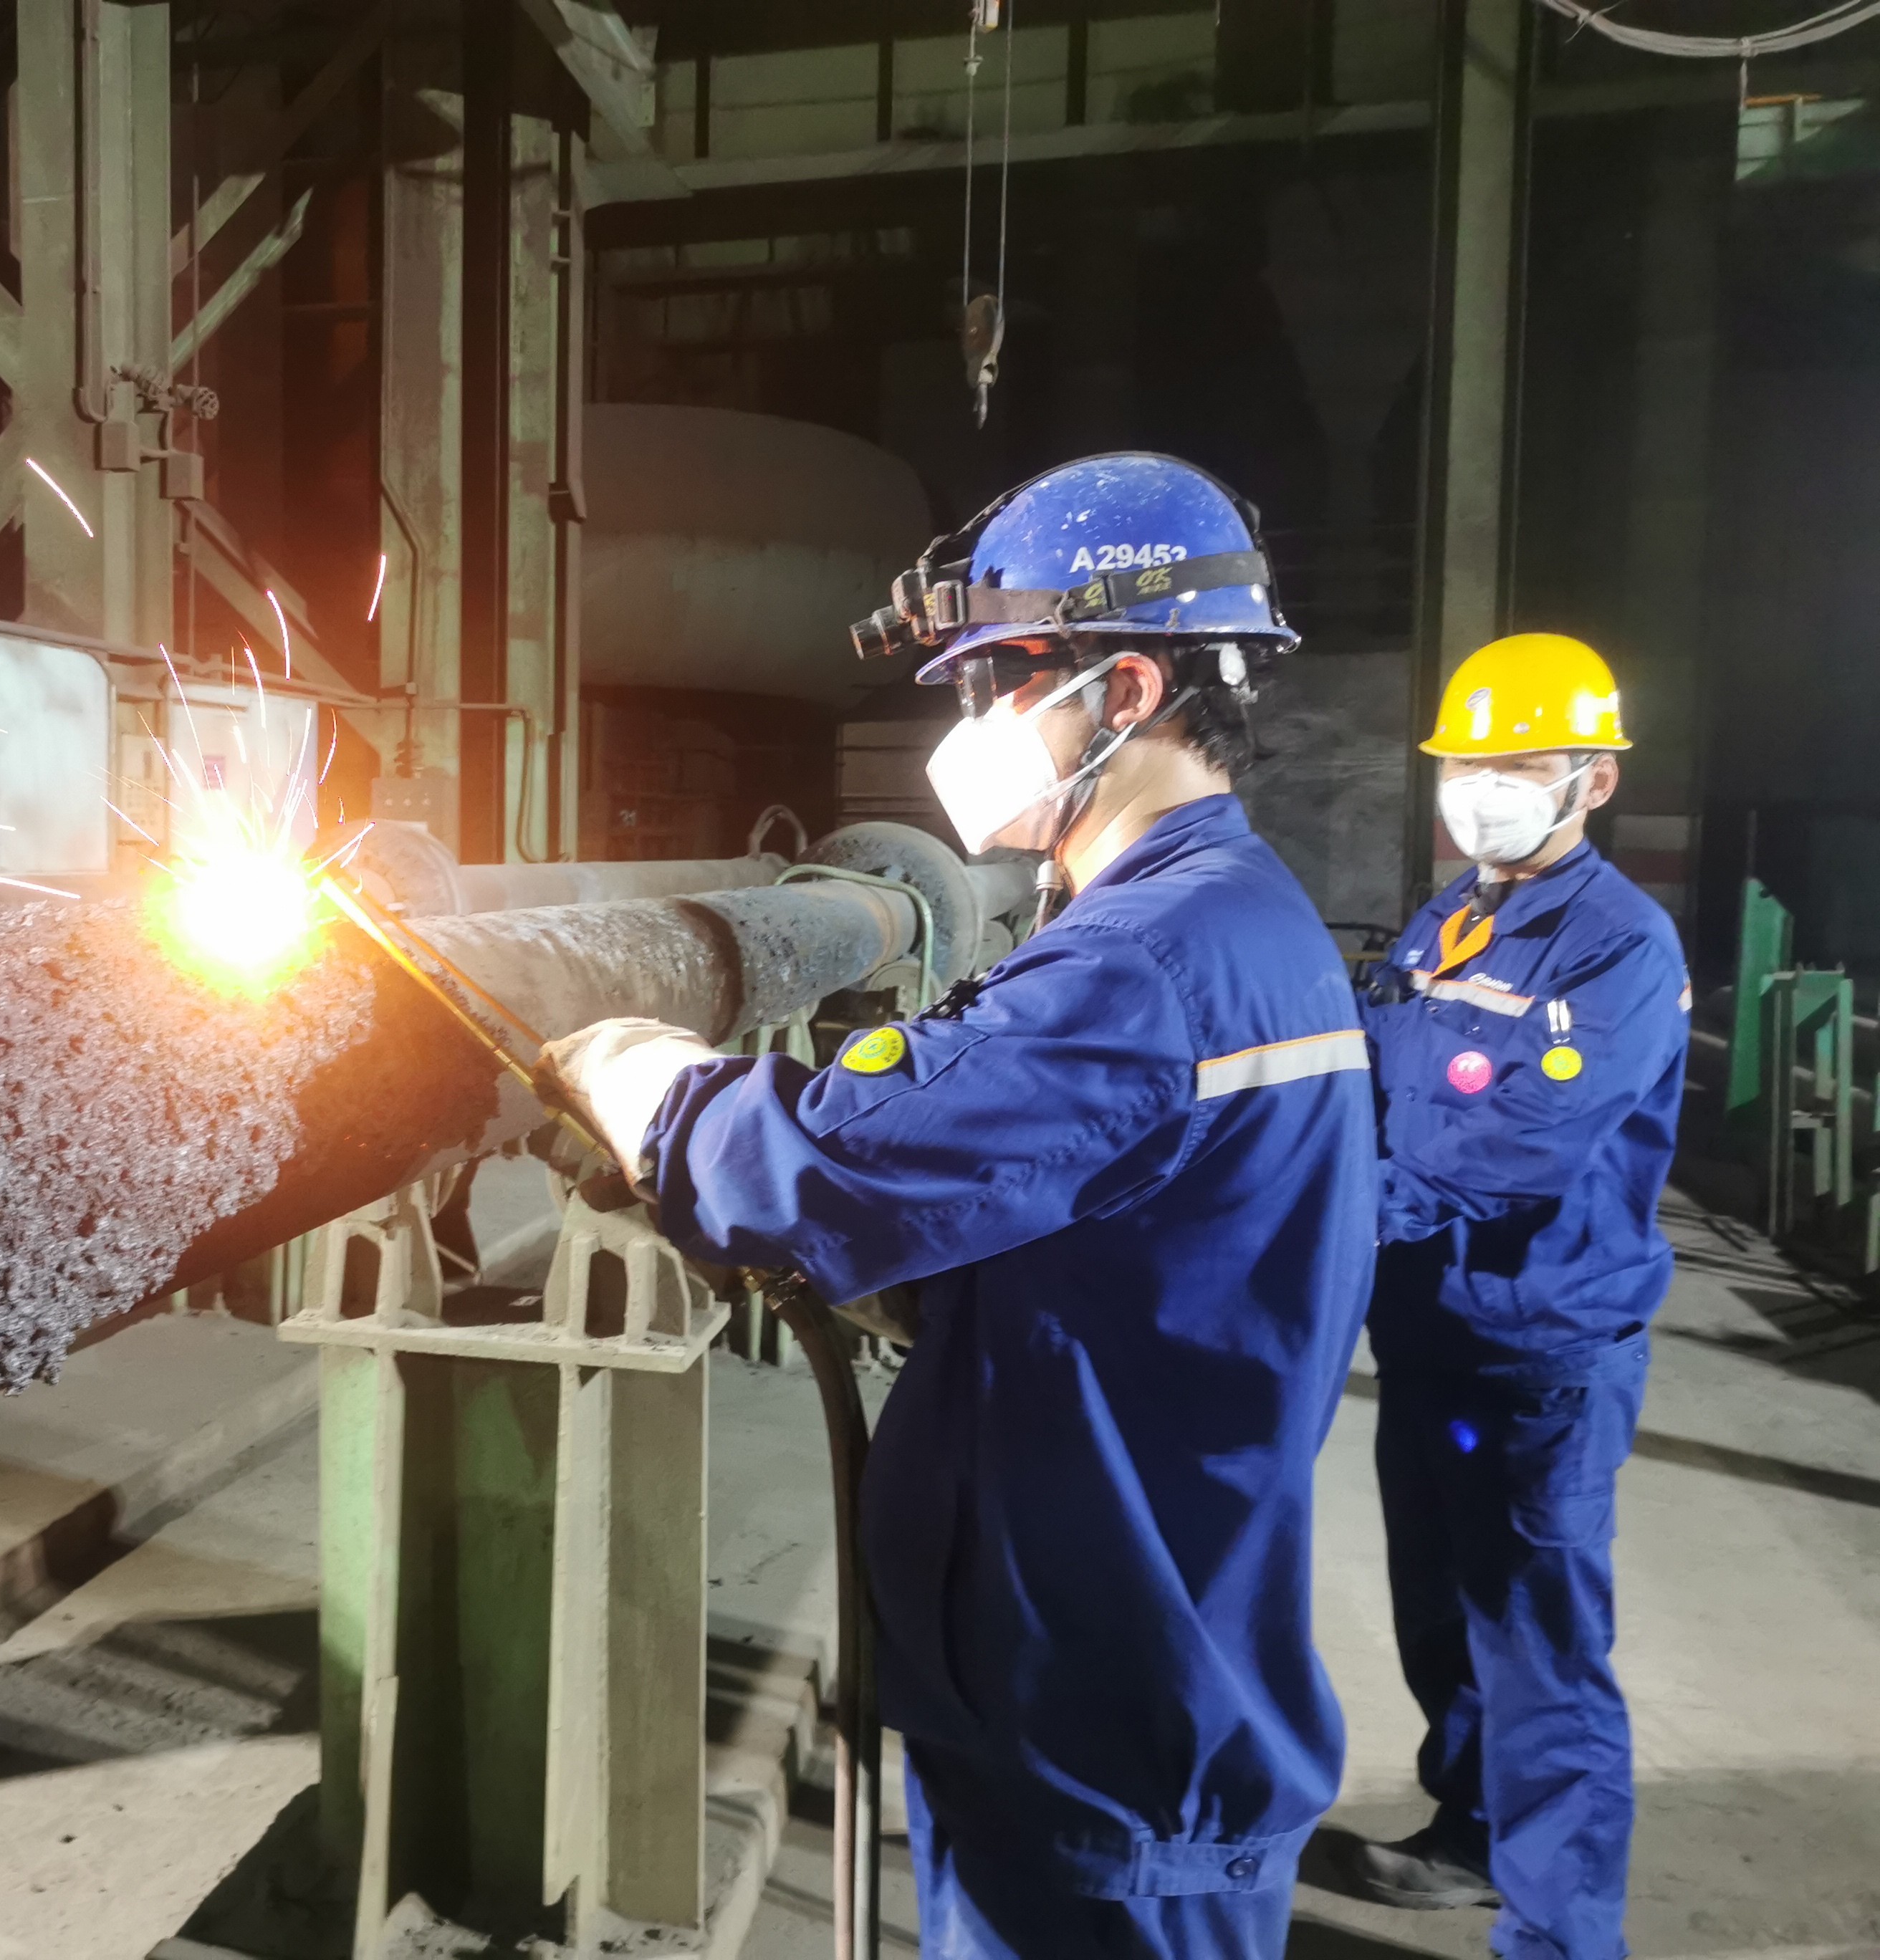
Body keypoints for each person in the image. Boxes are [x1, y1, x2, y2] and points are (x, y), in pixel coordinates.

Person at [542, 453, 1377, 1960]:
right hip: (1121, 1639)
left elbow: (821, 1173)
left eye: (997, 682)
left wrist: (641, 1080)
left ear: (1127, 691)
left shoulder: (1148, 961)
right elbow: (1102, 1226)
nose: (966, 724)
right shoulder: (1222, 918)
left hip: (1104, 1700)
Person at [1347, 633, 1689, 1960]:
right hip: (1429, 1334)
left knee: (1541, 1645)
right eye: (1466, 764)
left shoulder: (1618, 947)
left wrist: (1331, 1217)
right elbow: (1376, 1083)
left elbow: (1515, 1147)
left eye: (1521, 764)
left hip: (1542, 1348)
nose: (1482, 789)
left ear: (1594, 781)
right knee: (1441, 1614)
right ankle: (1475, 1834)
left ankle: (1561, 1934)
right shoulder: (1452, 918)